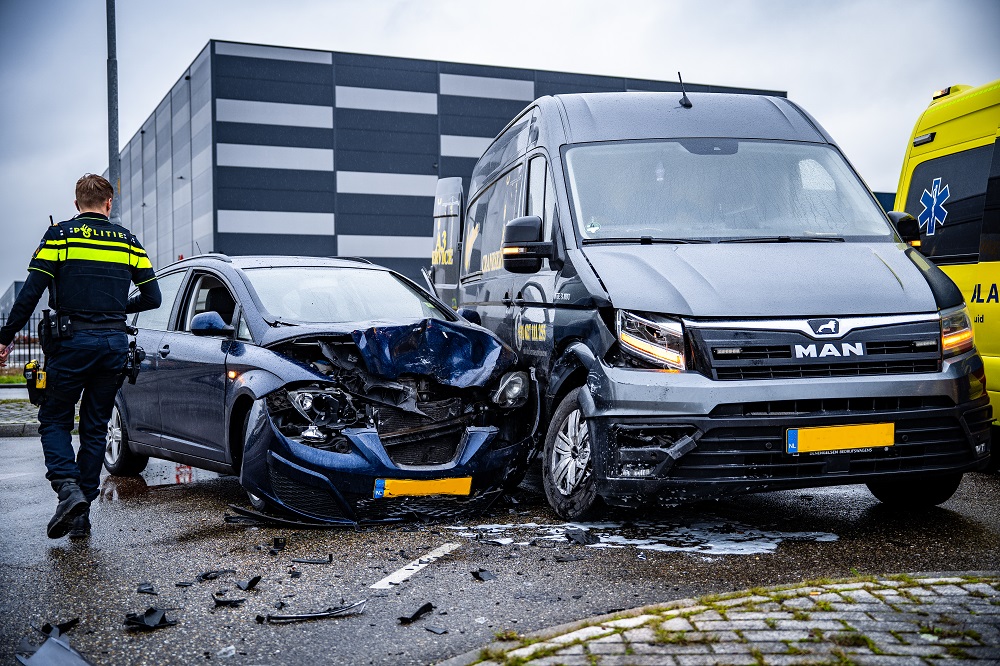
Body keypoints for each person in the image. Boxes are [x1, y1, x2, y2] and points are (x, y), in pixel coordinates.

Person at [0, 174, 161, 539]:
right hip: (113, 347)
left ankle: (68, 490)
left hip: (70, 343)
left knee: (55, 420)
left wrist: (5, 338)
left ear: (76, 204)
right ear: (109, 204)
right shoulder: (128, 242)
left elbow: (30, 293)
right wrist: (120, 307)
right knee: (93, 427)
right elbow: (153, 298)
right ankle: (81, 515)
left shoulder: (60, 236)